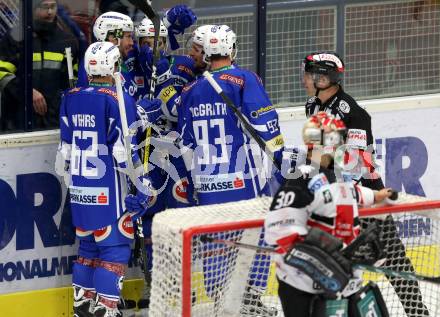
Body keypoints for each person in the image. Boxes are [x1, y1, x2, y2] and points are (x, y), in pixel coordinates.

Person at [301, 52, 430, 317]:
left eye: (309, 74)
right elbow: (316, 156)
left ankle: (418, 312)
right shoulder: (312, 106)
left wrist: (329, 172)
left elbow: (355, 163)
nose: (304, 79)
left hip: (368, 193)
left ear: (323, 78)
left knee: (393, 258)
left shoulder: (355, 113)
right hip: (336, 197)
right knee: (338, 262)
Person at [178, 24, 284, 315]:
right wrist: (281, 158)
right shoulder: (243, 80)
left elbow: (185, 143)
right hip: (242, 181)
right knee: (254, 236)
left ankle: (222, 301)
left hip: (208, 184)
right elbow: (266, 124)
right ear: (232, 49)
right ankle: (248, 299)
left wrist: (195, 180)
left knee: (216, 239)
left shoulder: (189, 91)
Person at [264, 112, 393, 316]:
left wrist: (376, 195)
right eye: (334, 137)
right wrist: (328, 260)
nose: (340, 143)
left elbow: (349, 193)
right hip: (305, 287)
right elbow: (278, 232)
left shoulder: (333, 176)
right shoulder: (300, 180)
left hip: (344, 282)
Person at [57, 41, 151, 317]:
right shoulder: (118, 99)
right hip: (110, 192)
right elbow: (124, 154)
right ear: (114, 66)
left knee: (87, 248)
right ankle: (106, 309)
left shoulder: (70, 96)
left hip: (81, 190)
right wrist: (143, 187)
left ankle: (82, 308)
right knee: (114, 252)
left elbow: (64, 151)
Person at [0, 0, 79, 130]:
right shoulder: (15, 38)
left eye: (53, 7)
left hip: (55, 123)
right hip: (18, 123)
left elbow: (73, 83)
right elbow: (2, 73)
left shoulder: (67, 40)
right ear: (33, 8)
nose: (50, 12)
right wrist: (27, 91)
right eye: (44, 7)